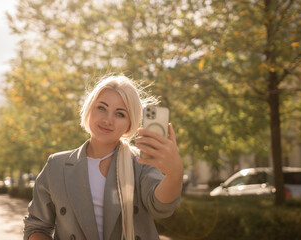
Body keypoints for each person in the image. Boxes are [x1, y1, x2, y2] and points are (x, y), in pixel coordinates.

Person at [23, 75, 183, 240]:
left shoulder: (140, 162)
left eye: (120, 114)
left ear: (130, 123)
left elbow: (161, 207)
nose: (107, 120)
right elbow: (36, 226)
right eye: (101, 108)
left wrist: (174, 173)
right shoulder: (56, 165)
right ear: (89, 109)